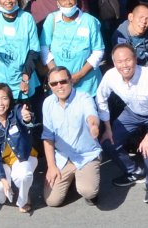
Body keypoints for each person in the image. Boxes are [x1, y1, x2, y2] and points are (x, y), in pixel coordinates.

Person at [96, 44, 148, 204]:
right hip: (131, 112)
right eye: (119, 61)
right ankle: (134, 171)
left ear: (135, 60)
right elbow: (100, 99)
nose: (124, 65)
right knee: (108, 142)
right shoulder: (110, 76)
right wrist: (107, 128)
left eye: (128, 60)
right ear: (114, 62)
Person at [39, 66, 102, 208]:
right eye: (54, 84)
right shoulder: (48, 103)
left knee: (88, 191)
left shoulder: (84, 97)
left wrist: (93, 125)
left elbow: (91, 115)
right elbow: (48, 137)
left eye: (63, 82)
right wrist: (51, 166)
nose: (59, 86)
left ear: (71, 81)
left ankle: (85, 180)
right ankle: (72, 179)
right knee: (52, 201)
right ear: (49, 86)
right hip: (63, 158)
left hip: (86, 155)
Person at [0, 83, 37, 212]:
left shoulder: (17, 110)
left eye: (4, 98)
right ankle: (2, 191)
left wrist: (27, 118)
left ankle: (23, 199)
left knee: (23, 176)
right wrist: (2, 178)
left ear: (10, 100)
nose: (0, 103)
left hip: (21, 157)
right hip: (1, 161)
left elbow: (26, 118)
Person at [41, 0, 105, 96]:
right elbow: (44, 48)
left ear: (76, 0)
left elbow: (98, 51)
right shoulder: (51, 19)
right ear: (58, 3)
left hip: (87, 86)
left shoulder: (89, 21)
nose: (68, 2)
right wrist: (57, 75)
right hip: (60, 86)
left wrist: (79, 75)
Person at [114, 3, 148, 73]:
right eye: (141, 17)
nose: (144, 22)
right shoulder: (120, 35)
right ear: (131, 17)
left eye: (147, 19)